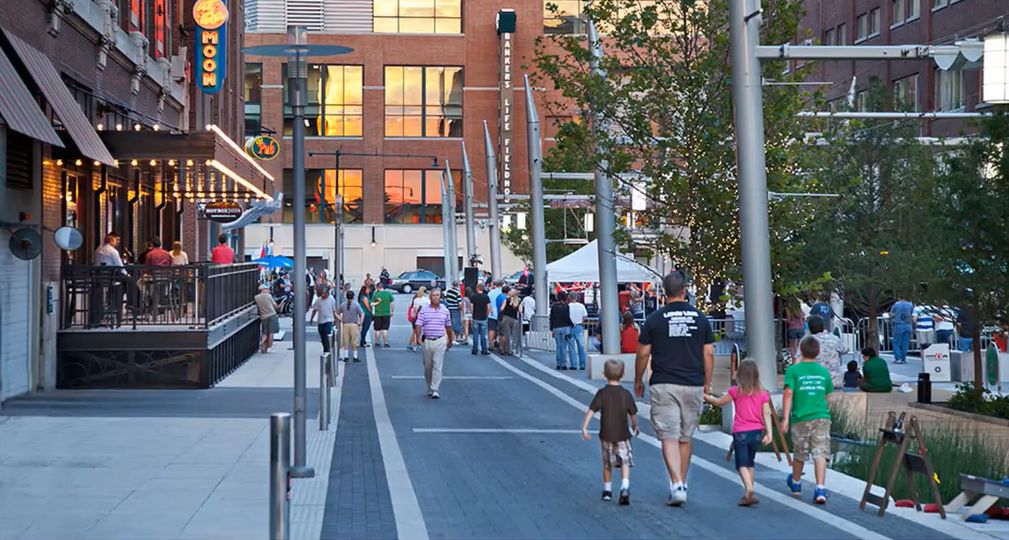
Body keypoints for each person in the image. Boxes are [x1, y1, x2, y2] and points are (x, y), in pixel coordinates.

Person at [634, 271, 714, 507]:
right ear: (684, 290)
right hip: (693, 382)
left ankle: (676, 484)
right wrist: (707, 381)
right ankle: (682, 483)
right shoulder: (700, 318)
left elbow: (643, 353)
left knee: (668, 436)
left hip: (664, 382)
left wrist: (638, 379)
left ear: (665, 292)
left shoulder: (655, 319)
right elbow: (708, 352)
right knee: (685, 437)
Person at [702, 360, 772, 507]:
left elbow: (719, 402)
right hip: (757, 432)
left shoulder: (735, 391)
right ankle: (748, 494)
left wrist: (706, 397)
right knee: (750, 462)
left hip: (741, 432)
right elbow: (766, 412)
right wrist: (769, 433)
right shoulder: (763, 393)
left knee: (741, 464)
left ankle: (749, 488)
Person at [782, 336, 833, 505]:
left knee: (800, 452)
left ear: (801, 351)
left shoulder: (793, 371)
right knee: (820, 451)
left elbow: (788, 393)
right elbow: (828, 396)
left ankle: (796, 483)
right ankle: (820, 488)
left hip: (801, 417)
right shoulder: (824, 372)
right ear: (818, 352)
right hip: (822, 416)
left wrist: (785, 419)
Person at [581, 359, 639, 506]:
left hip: (606, 435)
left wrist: (584, 427)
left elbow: (591, 410)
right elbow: (633, 413)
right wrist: (635, 425)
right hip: (623, 435)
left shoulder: (602, 393)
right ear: (623, 374)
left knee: (607, 464)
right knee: (624, 461)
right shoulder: (625, 394)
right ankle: (625, 486)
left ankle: (607, 490)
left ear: (604, 374)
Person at [413, 288, 454, 399]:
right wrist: (418, 337)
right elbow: (418, 324)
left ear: (440, 297)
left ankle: (435, 389)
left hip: (440, 340)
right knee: (428, 366)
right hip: (427, 341)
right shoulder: (424, 310)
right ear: (430, 297)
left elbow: (448, 326)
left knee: (437, 365)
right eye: (433, 295)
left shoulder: (445, 310)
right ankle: (429, 385)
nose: (436, 297)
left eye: (437, 295)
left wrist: (450, 340)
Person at [807, 314, 848, 387]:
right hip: (835, 381)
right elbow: (845, 350)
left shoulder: (807, 341)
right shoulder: (834, 338)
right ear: (823, 326)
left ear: (809, 328)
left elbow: (798, 360)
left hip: (816, 381)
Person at [549, 291, 576, 370]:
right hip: (565, 327)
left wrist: (551, 329)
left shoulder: (554, 306)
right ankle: (563, 364)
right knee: (564, 346)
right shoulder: (566, 306)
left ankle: (558, 363)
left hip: (556, 327)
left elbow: (552, 318)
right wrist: (571, 324)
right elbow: (567, 317)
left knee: (558, 346)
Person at [336, 290, 364, 362]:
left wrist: (341, 319)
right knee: (354, 341)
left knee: (346, 341)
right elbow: (362, 314)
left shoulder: (343, 304)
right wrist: (360, 322)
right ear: (353, 297)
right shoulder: (356, 305)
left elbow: (337, 312)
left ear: (346, 297)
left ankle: (346, 356)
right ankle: (355, 357)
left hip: (345, 324)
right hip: (354, 324)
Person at [308, 286, 338, 356]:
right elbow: (315, 310)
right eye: (322, 293)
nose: (323, 295)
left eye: (324, 293)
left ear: (327, 293)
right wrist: (311, 319)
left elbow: (334, 310)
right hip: (321, 320)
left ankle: (327, 349)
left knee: (327, 334)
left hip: (329, 319)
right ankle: (325, 348)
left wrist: (335, 319)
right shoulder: (318, 300)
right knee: (322, 335)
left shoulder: (331, 299)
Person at [255, 283, 280, 353]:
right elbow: (275, 306)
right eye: (267, 289)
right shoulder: (268, 296)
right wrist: (279, 305)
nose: (268, 290)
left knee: (265, 332)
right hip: (272, 315)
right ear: (263, 289)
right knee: (271, 332)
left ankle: (262, 343)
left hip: (263, 316)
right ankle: (269, 348)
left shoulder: (256, 297)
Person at [370, 281, 394, 348]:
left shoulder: (375, 294)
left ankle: (377, 342)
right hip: (386, 314)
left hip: (378, 314)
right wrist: (392, 312)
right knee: (385, 329)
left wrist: (377, 302)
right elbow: (392, 303)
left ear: (377, 287)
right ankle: (385, 342)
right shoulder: (388, 293)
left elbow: (371, 304)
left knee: (377, 329)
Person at [498, 288, 522, 356]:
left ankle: (505, 349)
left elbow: (502, 308)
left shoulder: (506, 300)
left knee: (506, 335)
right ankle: (511, 350)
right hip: (514, 319)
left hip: (506, 318)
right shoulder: (519, 300)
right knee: (512, 335)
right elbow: (520, 311)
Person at [890, 297, 914, 364]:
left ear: (899, 298)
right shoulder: (910, 305)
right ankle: (903, 359)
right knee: (905, 343)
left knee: (896, 343)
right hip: (908, 325)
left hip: (899, 325)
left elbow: (891, 314)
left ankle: (898, 358)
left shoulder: (896, 304)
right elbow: (912, 314)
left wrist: (895, 315)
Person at [569, 292, 588, 370]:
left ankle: (573, 365)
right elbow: (585, 316)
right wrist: (581, 321)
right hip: (579, 326)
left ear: (569, 297)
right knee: (581, 346)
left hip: (570, 327)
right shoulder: (581, 306)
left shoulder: (568, 306)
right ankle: (582, 364)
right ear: (576, 297)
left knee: (571, 346)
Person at [470, 283, 491, 355]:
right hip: (483, 317)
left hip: (475, 317)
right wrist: (486, 314)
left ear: (477, 288)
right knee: (483, 334)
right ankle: (484, 349)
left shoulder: (473, 297)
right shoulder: (486, 297)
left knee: (475, 334)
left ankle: (475, 349)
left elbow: (471, 307)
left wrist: (472, 315)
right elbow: (489, 307)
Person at [406, 288, 429, 352]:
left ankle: (412, 345)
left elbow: (414, 309)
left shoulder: (416, 299)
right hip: (424, 317)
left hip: (416, 317)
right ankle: (419, 344)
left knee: (415, 332)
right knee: (424, 332)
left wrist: (413, 316)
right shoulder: (427, 300)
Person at [487, 280, 504, 351]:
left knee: (491, 329)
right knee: (501, 330)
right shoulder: (503, 292)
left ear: (495, 285)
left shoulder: (490, 293)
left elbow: (488, 303)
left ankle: (490, 344)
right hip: (502, 314)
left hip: (492, 313)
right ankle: (501, 345)